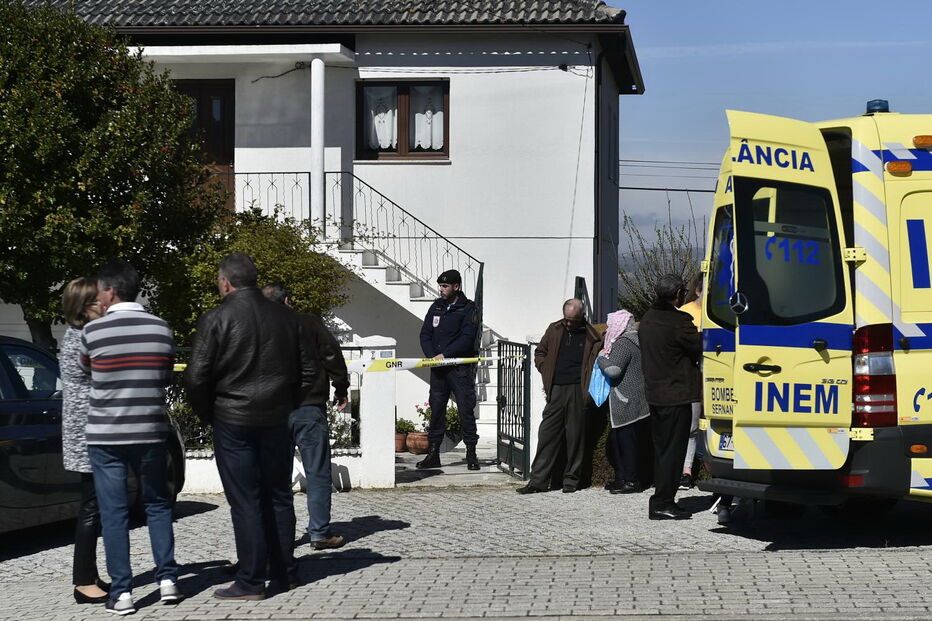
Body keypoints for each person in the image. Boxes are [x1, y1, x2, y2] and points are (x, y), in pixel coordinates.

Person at [185, 253, 315, 600]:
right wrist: (289, 404)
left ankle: (251, 581)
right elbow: (309, 372)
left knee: (246, 501)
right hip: (276, 417)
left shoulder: (215, 318)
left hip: (232, 418)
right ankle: (285, 572)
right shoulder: (288, 318)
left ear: (225, 282)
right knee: (278, 495)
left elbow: (196, 377)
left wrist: (208, 414)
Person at [79, 260, 180, 615]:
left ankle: (122, 592)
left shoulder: (92, 332)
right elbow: (166, 375)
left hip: (106, 434)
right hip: (150, 430)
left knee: (114, 512)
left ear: (109, 291)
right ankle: (168, 579)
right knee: (157, 505)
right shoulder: (162, 329)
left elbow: (87, 373)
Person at [262, 282, 347, 551]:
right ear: (288, 300)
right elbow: (332, 355)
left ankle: (281, 536)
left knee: (277, 476)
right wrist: (341, 388)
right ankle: (320, 533)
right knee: (318, 471)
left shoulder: (259, 328)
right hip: (309, 406)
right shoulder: (308, 323)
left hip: (273, 411)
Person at [517, 299, 602, 494]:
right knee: (546, 434)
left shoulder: (591, 336)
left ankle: (571, 481)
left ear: (582, 316)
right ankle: (537, 481)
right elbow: (540, 352)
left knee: (575, 437)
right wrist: (545, 369)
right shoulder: (554, 329)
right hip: (556, 389)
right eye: (567, 319)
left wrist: (587, 391)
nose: (569, 323)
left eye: (574, 320)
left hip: (578, 390)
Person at [60, 277, 109, 605]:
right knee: (91, 507)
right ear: (83, 307)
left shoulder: (80, 335)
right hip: (87, 432)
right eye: (98, 302)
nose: (104, 305)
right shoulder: (81, 338)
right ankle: (82, 581)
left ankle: (89, 574)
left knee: (95, 505)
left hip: (86, 429)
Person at [638, 274, 702, 520]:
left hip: (655, 394)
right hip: (676, 395)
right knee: (673, 452)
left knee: (663, 450)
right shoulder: (678, 321)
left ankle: (662, 499)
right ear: (678, 294)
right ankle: (663, 502)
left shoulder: (648, 319)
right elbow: (699, 344)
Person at [416, 269, 480, 471]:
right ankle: (433, 454)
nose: (441, 290)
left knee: (465, 410)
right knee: (436, 410)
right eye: (440, 286)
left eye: (445, 286)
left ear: (456, 287)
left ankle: (471, 453)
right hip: (438, 369)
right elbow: (425, 333)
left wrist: (446, 355)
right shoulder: (436, 306)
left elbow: (467, 338)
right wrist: (432, 357)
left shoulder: (468, 309)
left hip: (458, 368)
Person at [597, 309, 649, 494]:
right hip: (638, 399)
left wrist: (601, 359)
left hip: (625, 399)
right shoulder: (639, 340)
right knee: (630, 442)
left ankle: (630, 481)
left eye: (611, 324)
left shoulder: (623, 344)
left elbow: (614, 370)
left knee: (625, 443)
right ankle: (623, 478)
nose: (609, 327)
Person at [678, 273, 705, 490]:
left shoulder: (719, 313)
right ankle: (685, 471)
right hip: (691, 376)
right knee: (690, 426)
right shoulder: (685, 313)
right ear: (697, 290)